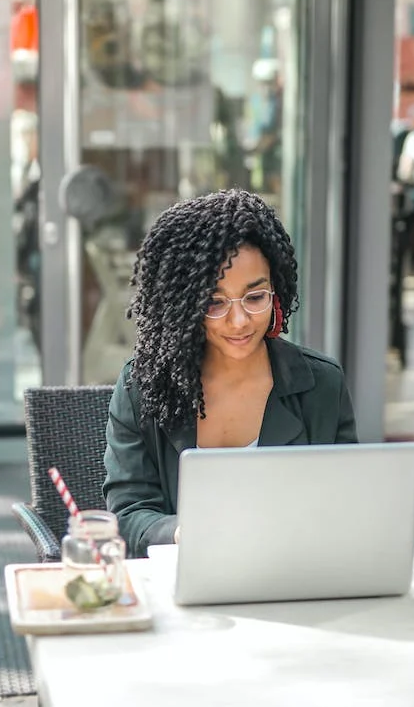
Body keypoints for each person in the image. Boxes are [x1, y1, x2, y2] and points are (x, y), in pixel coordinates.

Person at [102, 190, 359, 557]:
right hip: (183, 585)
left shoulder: (321, 385)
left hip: (296, 578)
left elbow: (346, 508)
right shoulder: (142, 387)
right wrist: (180, 532)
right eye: (214, 302)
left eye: (255, 298)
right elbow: (128, 515)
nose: (239, 322)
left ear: (277, 292)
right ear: (183, 306)